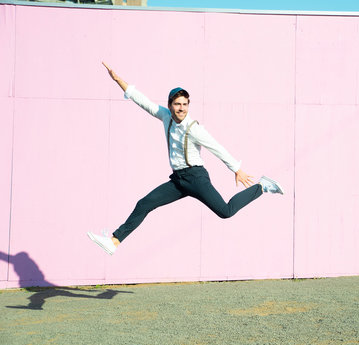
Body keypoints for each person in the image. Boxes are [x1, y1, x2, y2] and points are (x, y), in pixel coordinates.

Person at [87, 62, 283, 255]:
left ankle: (262, 186)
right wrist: (118, 80)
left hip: (196, 178)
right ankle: (114, 240)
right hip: (179, 180)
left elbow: (217, 148)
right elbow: (143, 102)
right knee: (144, 203)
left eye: (184, 104)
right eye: (177, 104)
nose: (181, 108)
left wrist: (237, 169)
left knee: (226, 212)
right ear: (169, 105)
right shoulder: (165, 117)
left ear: (188, 106)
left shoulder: (194, 129)